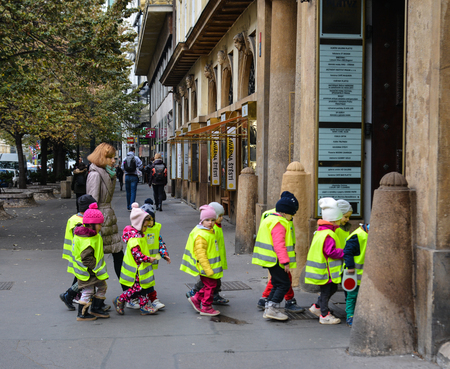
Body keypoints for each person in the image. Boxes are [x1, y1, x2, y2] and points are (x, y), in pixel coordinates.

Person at [255, 191, 304, 313]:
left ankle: (268, 306)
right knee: (283, 284)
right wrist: (285, 261)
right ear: (285, 212)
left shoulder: (270, 218)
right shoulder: (279, 222)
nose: (292, 217)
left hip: (270, 258)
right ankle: (271, 308)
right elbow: (279, 244)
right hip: (276, 258)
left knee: (277, 282)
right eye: (291, 214)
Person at [86, 143, 124, 282]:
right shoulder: (96, 175)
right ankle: (73, 292)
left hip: (107, 219)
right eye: (110, 158)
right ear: (102, 158)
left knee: (116, 254)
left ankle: (129, 292)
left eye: (114, 158)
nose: (113, 161)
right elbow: (92, 202)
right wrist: (92, 225)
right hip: (100, 221)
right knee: (93, 258)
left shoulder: (107, 173)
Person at [112, 203, 158, 316]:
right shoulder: (134, 239)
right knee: (136, 289)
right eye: (145, 226)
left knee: (142, 288)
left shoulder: (139, 235)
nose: (146, 229)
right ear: (138, 224)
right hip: (135, 270)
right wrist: (148, 259)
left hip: (139, 269)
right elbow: (137, 255)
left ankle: (144, 306)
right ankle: (120, 300)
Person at [306, 197, 344, 325]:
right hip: (326, 271)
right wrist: (344, 252)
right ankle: (324, 315)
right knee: (326, 292)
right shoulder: (329, 234)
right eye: (339, 219)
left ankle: (317, 307)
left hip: (323, 270)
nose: (340, 221)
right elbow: (330, 252)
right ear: (334, 220)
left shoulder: (322, 232)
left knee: (330, 290)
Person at [180, 205, 223, 317]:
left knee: (209, 286)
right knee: (210, 286)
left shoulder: (209, 231)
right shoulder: (202, 235)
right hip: (206, 268)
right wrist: (207, 269)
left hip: (210, 267)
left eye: (213, 220)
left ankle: (196, 298)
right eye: (207, 220)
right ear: (202, 221)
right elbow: (201, 255)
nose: (210, 222)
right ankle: (206, 307)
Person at [185, 202, 229, 305]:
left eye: (222, 216)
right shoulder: (211, 230)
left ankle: (212, 295)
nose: (221, 218)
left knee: (215, 280)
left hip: (216, 259)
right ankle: (196, 293)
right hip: (210, 261)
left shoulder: (215, 227)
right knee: (209, 282)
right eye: (219, 216)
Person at [72, 203, 110, 321]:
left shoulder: (93, 235)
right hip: (88, 272)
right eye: (99, 224)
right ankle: (82, 313)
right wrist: (95, 269)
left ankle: (96, 308)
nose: (101, 226)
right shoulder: (87, 240)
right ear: (91, 224)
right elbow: (87, 258)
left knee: (102, 286)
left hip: (91, 271)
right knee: (88, 291)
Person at [59, 194, 98, 310]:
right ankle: (70, 295)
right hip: (81, 255)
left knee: (82, 277)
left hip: (77, 254)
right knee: (87, 278)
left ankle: (73, 295)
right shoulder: (80, 222)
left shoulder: (74, 219)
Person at [137, 198, 171, 310]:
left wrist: (164, 254)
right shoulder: (138, 230)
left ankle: (151, 299)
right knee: (141, 282)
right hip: (140, 261)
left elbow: (160, 242)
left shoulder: (156, 228)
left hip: (150, 260)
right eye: (147, 220)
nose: (149, 223)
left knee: (149, 280)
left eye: (152, 219)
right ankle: (141, 299)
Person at [343, 223, 369, 327]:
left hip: (361, 274)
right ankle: (350, 316)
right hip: (354, 274)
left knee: (356, 296)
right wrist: (350, 267)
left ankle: (357, 315)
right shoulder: (357, 236)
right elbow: (347, 252)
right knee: (352, 296)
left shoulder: (363, 234)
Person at [121, 147, 142, 211]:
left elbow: (122, 167)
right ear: (134, 151)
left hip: (127, 176)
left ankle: (128, 205)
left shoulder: (125, 158)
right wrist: (137, 168)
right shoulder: (136, 158)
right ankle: (131, 206)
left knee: (128, 192)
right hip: (134, 176)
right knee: (133, 191)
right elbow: (141, 166)